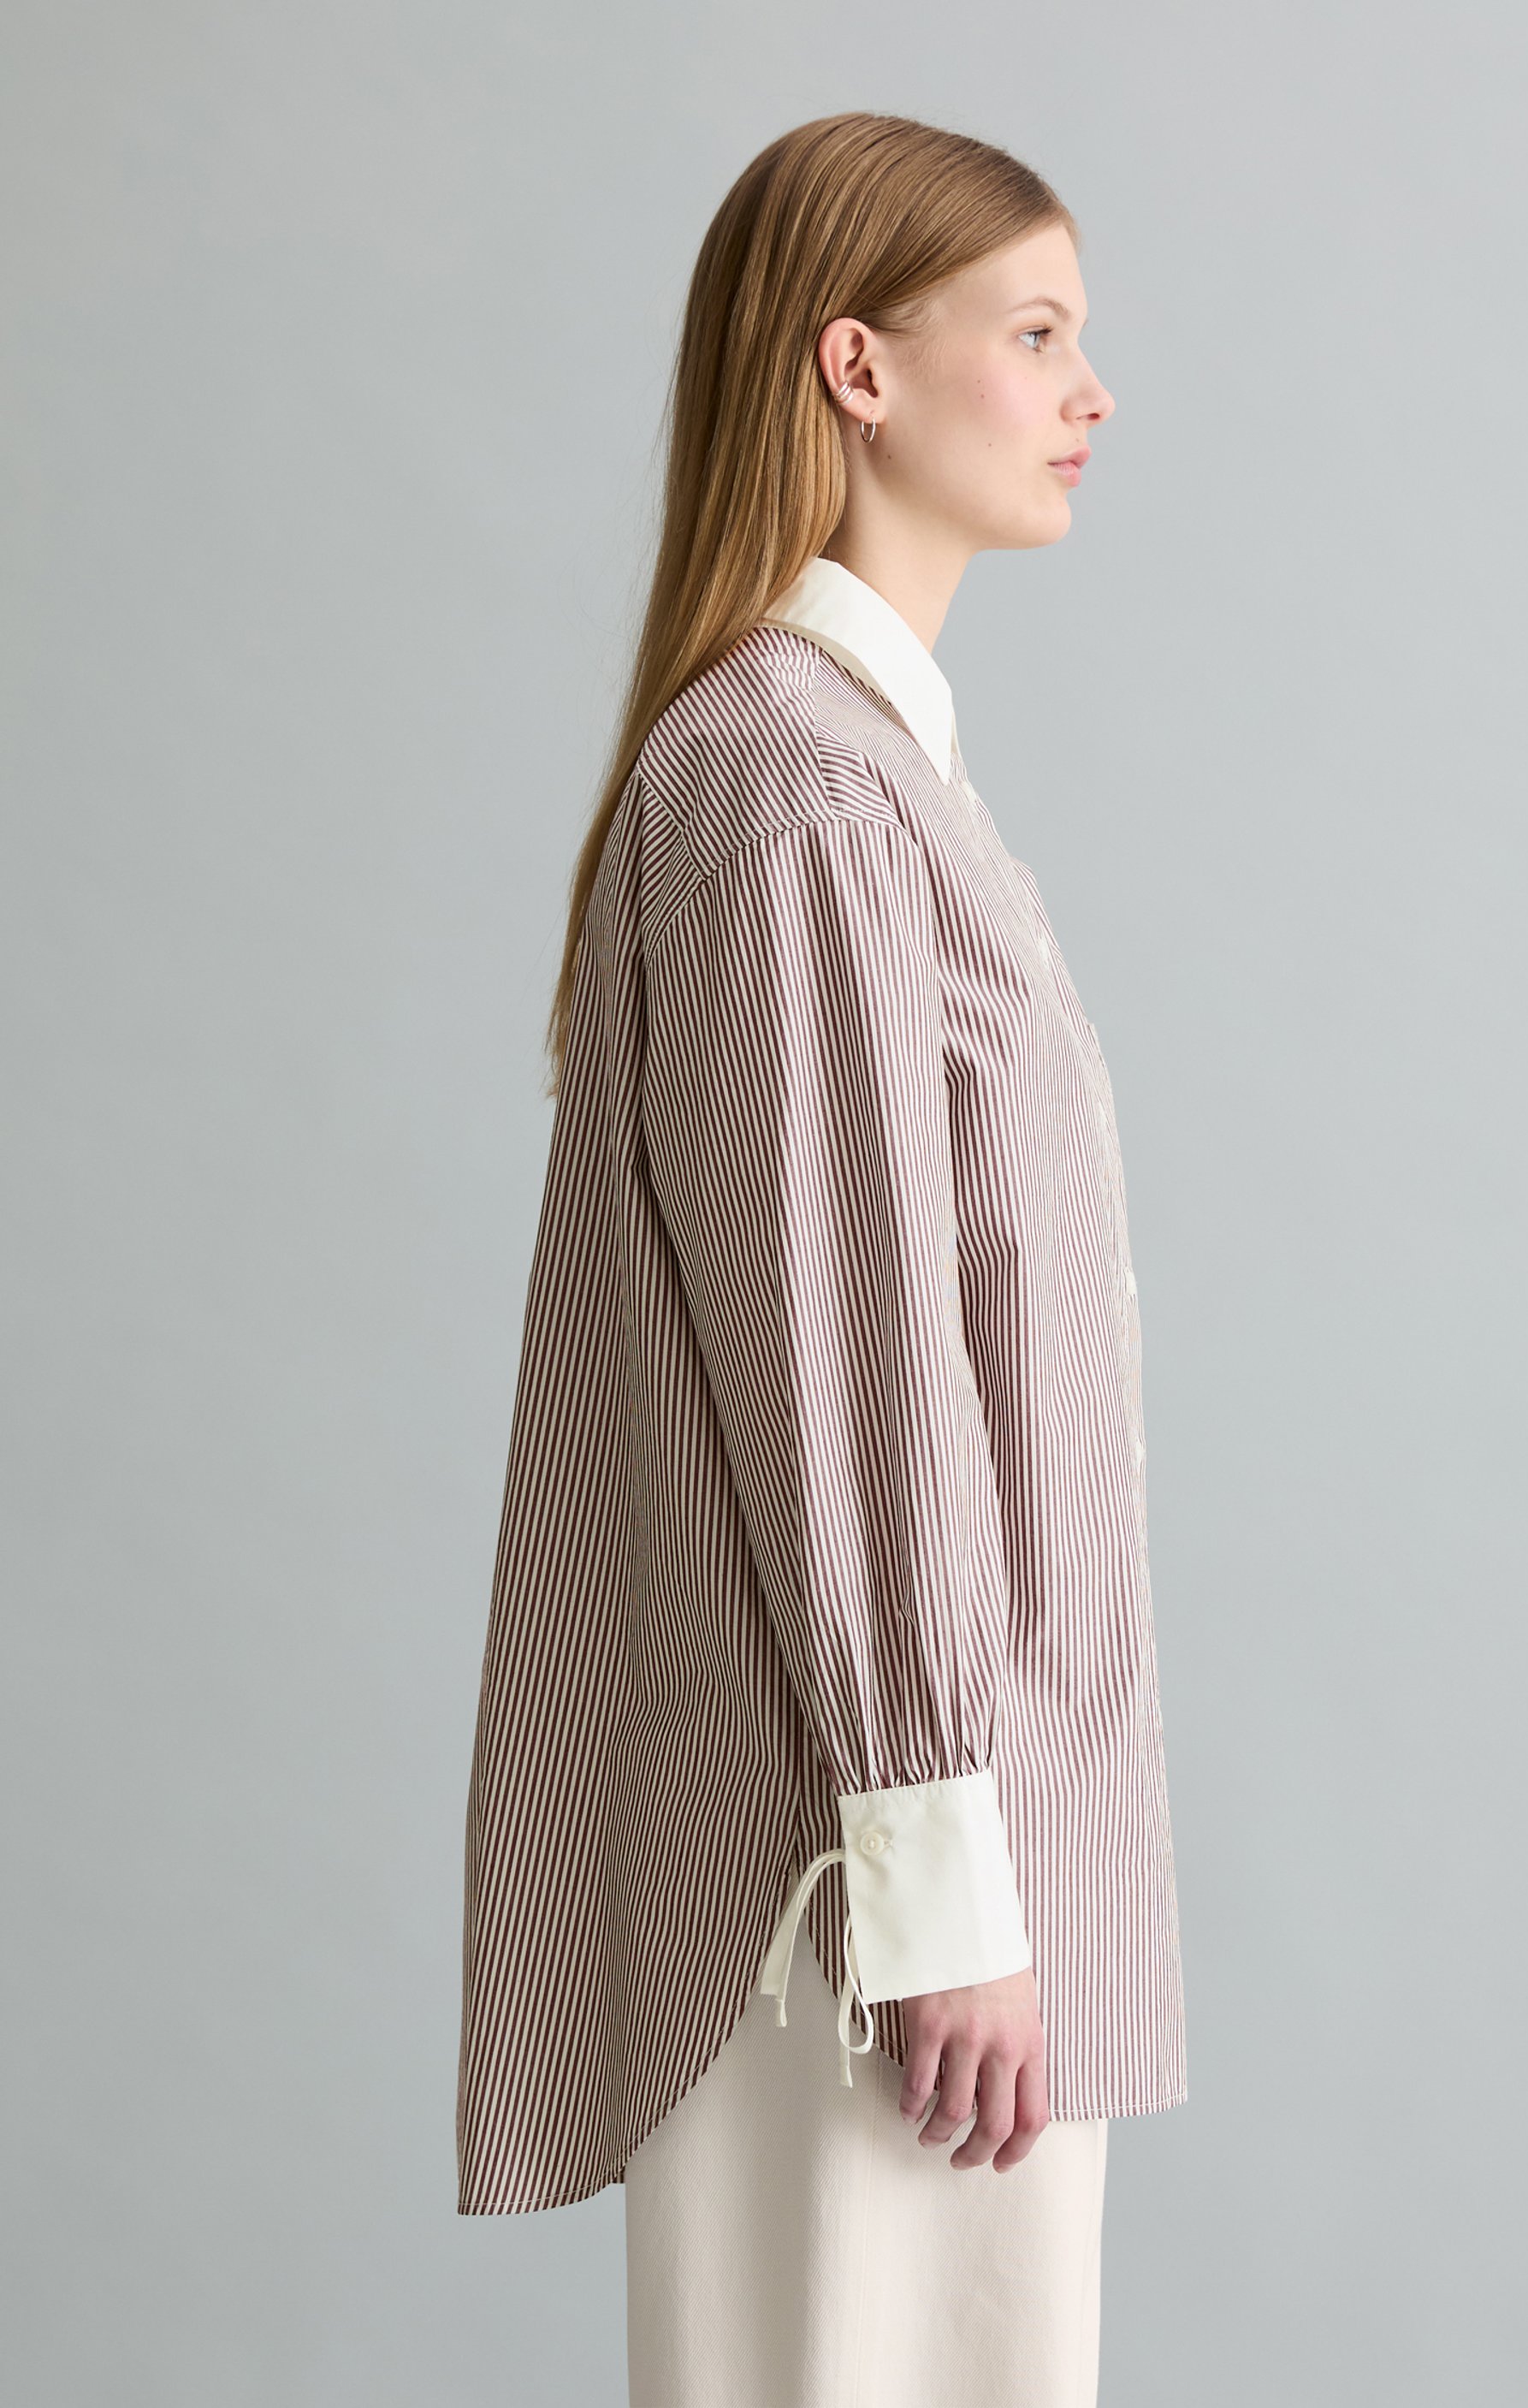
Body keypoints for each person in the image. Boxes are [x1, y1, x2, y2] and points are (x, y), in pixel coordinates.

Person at [455, 110, 1187, 2406]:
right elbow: (848, 1362)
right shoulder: (793, 785)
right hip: (863, 1904)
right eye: (1035, 334)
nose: (1089, 391)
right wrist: (942, 1886)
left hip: (926, 1875)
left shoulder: (862, 773)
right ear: (858, 366)